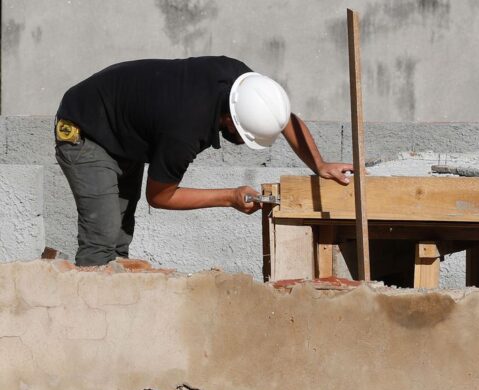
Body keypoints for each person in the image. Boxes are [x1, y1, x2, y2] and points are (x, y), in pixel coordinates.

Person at [54, 56, 352, 266]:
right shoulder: (184, 130)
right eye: (244, 135)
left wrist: (319, 164)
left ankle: (114, 318)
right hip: (85, 129)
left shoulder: (243, 82)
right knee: (103, 241)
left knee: (119, 240)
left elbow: (282, 117)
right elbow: (159, 196)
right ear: (229, 119)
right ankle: (88, 335)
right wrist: (230, 197)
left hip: (123, 126)